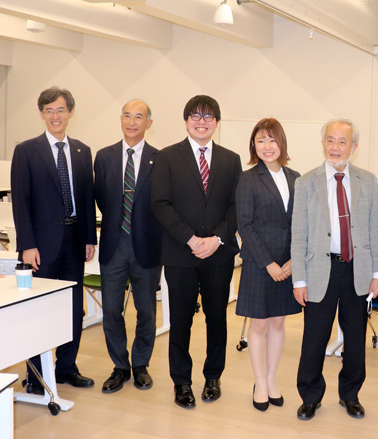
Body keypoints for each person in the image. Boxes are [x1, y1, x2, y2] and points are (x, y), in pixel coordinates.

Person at [291, 118, 378, 421]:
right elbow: (298, 234)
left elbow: (375, 229)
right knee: (314, 338)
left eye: (342, 142)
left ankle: (350, 395)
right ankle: (310, 396)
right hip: (320, 269)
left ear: (354, 147)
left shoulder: (368, 181)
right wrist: (299, 279)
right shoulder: (306, 182)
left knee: (355, 340)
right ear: (323, 144)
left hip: (357, 270)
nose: (335, 147)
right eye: (330, 140)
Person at [151, 95, 242, 409]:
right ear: (186, 120)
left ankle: (213, 377)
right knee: (180, 321)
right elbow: (160, 204)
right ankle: (182, 382)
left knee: (217, 319)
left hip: (218, 254)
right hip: (180, 254)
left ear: (216, 122)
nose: (201, 122)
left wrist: (216, 238)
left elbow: (235, 206)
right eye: (195, 116)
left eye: (208, 116)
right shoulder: (167, 157)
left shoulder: (231, 159)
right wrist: (191, 239)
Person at [10, 86, 97, 394]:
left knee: (73, 308)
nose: (55, 116)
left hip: (75, 242)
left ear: (71, 112)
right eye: (49, 110)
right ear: (42, 114)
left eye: (60, 110)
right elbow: (21, 201)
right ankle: (35, 376)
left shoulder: (82, 150)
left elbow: (86, 198)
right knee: (39, 309)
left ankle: (67, 367)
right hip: (41, 248)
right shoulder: (27, 150)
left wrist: (89, 238)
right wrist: (27, 245)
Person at [94, 99, 162, 394]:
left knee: (145, 310)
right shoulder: (104, 156)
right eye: (127, 116)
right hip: (113, 244)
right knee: (111, 310)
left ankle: (141, 364)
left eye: (139, 117)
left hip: (147, 246)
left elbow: (162, 204)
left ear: (149, 123)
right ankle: (120, 366)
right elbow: (99, 197)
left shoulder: (160, 159)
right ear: (120, 120)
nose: (132, 122)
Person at [235, 118, 301, 411]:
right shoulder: (248, 178)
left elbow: (301, 224)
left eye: (272, 140)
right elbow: (244, 226)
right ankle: (260, 381)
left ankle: (273, 378)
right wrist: (270, 264)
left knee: (278, 322)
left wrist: (291, 261)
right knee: (259, 324)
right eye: (260, 141)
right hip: (259, 264)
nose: (267, 146)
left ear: (282, 143)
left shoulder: (296, 177)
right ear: (253, 145)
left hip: (288, 263)